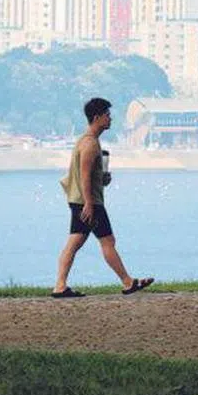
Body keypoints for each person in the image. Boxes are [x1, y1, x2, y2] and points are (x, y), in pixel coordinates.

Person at [51, 97, 154, 298]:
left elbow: (88, 175)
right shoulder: (90, 144)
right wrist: (89, 204)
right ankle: (127, 282)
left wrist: (102, 179)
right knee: (103, 241)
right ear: (97, 117)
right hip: (88, 202)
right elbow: (84, 176)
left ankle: (61, 285)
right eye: (107, 115)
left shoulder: (87, 141)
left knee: (78, 243)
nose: (110, 119)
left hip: (81, 200)